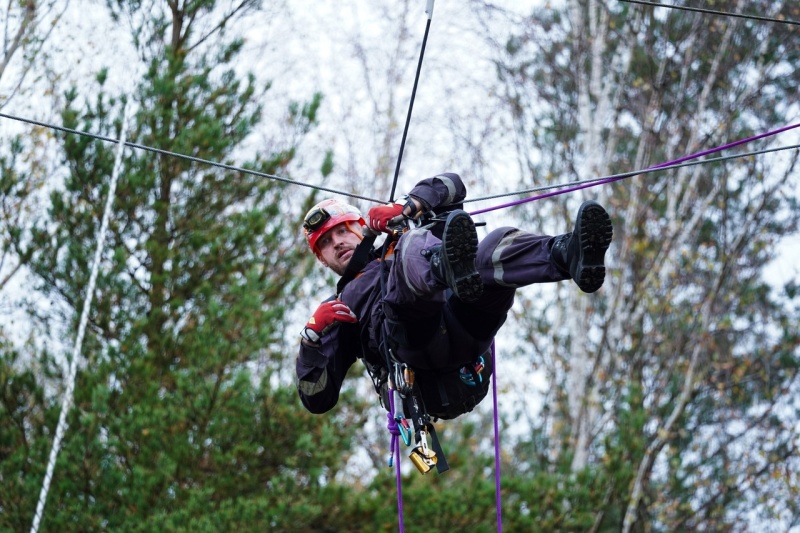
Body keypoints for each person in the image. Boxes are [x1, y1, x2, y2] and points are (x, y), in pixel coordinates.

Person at [295, 172, 613, 423]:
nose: (336, 243)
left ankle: (568, 253)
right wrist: (310, 340)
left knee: (493, 246)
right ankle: (442, 267)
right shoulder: (338, 309)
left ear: (360, 227)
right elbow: (317, 399)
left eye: (342, 230)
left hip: (466, 333)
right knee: (412, 249)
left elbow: (452, 185)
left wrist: (412, 206)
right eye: (325, 243)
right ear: (322, 260)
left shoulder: (402, 233)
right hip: (413, 346)